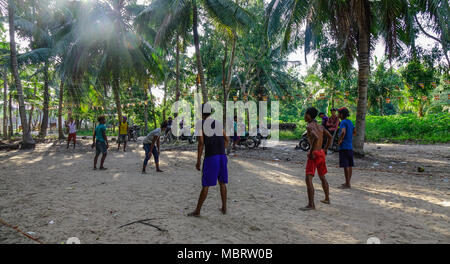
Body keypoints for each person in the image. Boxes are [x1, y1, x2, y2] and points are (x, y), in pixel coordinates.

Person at [188, 108, 229, 217]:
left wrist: (198, 161)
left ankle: (197, 211)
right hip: (222, 156)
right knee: (222, 183)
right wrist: (221, 150)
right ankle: (224, 208)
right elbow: (227, 139)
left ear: (201, 114)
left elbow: (201, 142)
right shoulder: (218, 123)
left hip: (211, 157)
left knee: (205, 185)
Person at [301, 107, 332, 211]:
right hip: (321, 153)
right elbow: (330, 137)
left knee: (308, 179)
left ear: (309, 115)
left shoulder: (310, 126)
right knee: (322, 176)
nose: (304, 116)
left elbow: (316, 138)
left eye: (305, 114)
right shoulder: (320, 126)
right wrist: (326, 149)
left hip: (314, 154)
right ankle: (327, 198)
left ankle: (311, 204)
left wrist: (311, 150)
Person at [337, 107, 356, 189]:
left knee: (345, 166)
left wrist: (340, 140)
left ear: (341, 114)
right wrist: (349, 138)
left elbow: (343, 132)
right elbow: (354, 131)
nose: (338, 115)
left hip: (344, 147)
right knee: (350, 165)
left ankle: (347, 184)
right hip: (350, 146)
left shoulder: (343, 122)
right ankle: (348, 182)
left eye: (339, 113)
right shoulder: (350, 122)